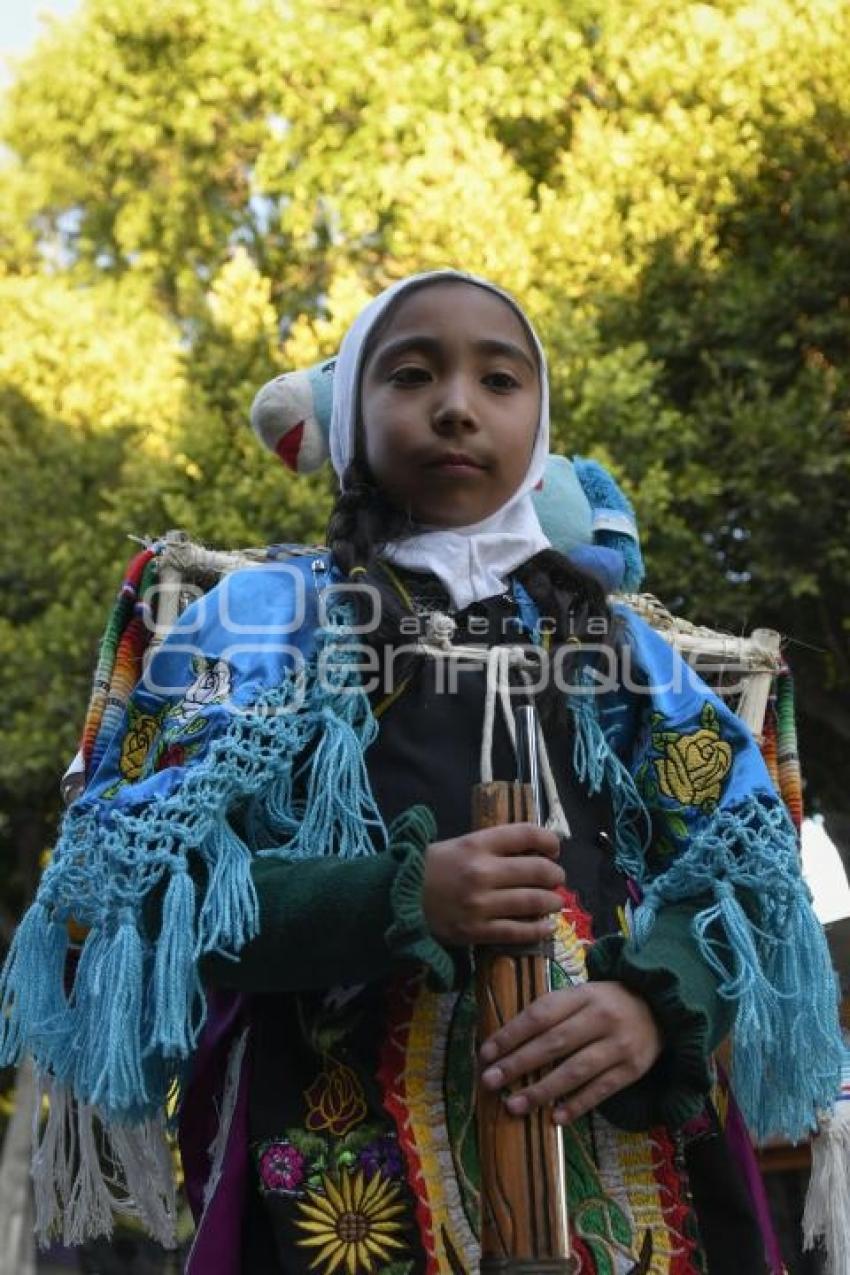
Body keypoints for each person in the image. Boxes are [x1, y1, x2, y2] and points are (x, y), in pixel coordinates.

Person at [0, 270, 842, 1275]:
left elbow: (743, 883)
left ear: (539, 424)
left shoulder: (621, 656)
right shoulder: (270, 623)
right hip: (336, 1159)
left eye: (499, 380)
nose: (456, 405)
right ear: (349, 415)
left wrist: (653, 1006)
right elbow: (149, 894)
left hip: (626, 1152)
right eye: (410, 375)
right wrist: (401, 894)